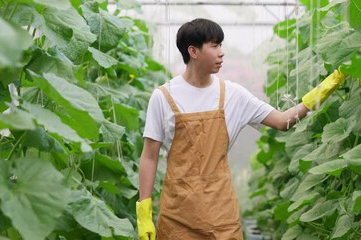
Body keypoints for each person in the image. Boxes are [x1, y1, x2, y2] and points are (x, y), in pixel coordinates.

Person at [136, 18, 346, 240]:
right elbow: (149, 157)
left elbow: (282, 121)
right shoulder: (163, 97)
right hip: (178, 216)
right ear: (193, 51)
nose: (221, 52)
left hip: (221, 215)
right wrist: (144, 213)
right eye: (214, 46)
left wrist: (326, 88)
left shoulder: (233, 94)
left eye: (221, 45)